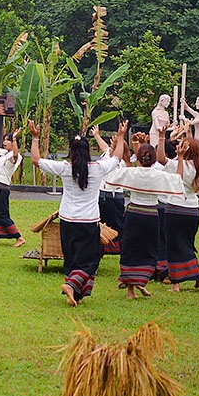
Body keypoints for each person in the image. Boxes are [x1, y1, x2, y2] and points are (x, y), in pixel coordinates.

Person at [29, 120, 124, 307]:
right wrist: (121, 136)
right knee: (91, 259)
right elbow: (117, 158)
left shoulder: (65, 168)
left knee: (72, 258)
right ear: (88, 151)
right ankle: (71, 285)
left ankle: (75, 294)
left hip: (67, 220)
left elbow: (35, 160)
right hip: (88, 221)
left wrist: (35, 138)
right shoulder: (98, 169)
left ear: (71, 151)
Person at [104, 142, 185, 300]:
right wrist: (180, 158)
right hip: (150, 216)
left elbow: (111, 174)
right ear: (154, 160)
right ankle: (140, 281)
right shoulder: (158, 174)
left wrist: (117, 147)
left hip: (133, 214)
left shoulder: (131, 173)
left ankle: (131, 289)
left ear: (138, 159)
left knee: (130, 249)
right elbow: (178, 180)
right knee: (149, 250)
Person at [156, 123, 199, 292]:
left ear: (185, 150)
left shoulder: (180, 164)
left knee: (173, 245)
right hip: (193, 210)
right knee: (187, 244)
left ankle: (176, 283)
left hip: (176, 209)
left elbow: (162, 160)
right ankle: (198, 278)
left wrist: (162, 138)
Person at [0, 117, 25, 247]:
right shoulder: (3, 153)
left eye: (8, 140)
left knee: (2, 214)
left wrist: (14, 138)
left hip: (2, 188)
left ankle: (19, 238)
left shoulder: (16, 156)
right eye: (5, 140)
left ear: (13, 143)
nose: (4, 142)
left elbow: (15, 155)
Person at [93, 127, 127, 256]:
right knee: (101, 222)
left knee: (114, 223)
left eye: (114, 145)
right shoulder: (107, 155)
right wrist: (96, 135)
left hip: (114, 196)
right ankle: (102, 246)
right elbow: (105, 148)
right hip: (102, 193)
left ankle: (115, 248)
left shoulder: (121, 162)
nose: (111, 147)